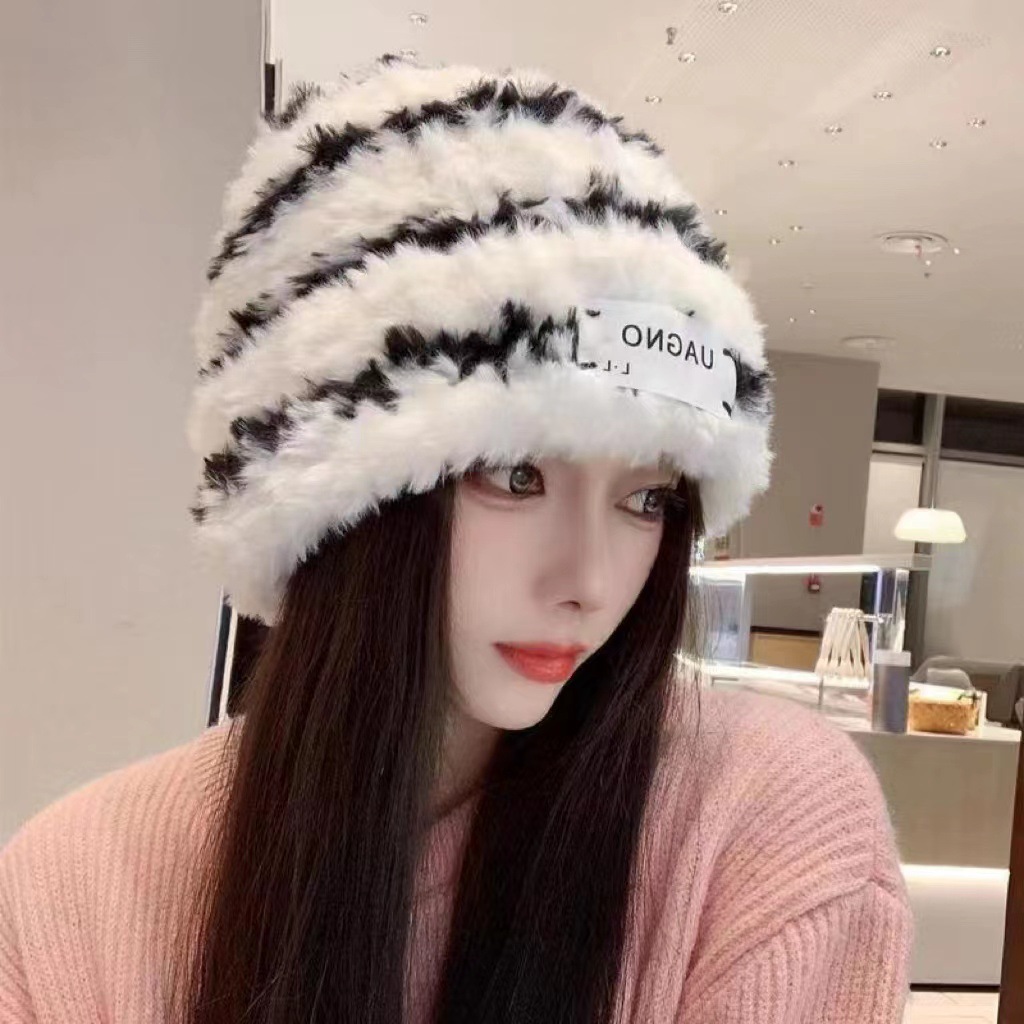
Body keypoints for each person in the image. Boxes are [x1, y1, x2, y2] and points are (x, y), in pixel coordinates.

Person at [0, 54, 912, 1023]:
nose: (590, 580)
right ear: (338, 501)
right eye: (517, 476)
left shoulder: (764, 828)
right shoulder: (74, 892)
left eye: (647, 498)